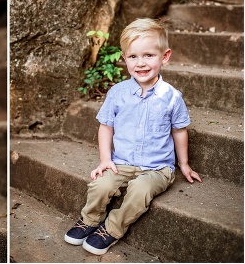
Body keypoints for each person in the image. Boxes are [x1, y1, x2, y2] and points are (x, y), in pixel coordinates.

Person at [64, 18, 202, 255]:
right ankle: (90, 219)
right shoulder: (117, 93)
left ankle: (112, 228)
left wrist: (184, 164)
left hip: (158, 168)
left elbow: (179, 130)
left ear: (164, 56)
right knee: (100, 185)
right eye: (133, 56)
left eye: (148, 55)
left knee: (139, 190)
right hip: (122, 162)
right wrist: (105, 160)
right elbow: (106, 126)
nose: (141, 63)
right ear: (124, 58)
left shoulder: (172, 97)